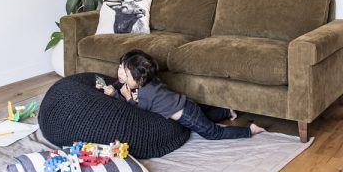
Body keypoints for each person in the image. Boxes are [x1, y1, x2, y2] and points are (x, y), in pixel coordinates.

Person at [97, 49, 265, 139]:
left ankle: (249, 130)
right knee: (204, 117)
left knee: (211, 133)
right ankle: (226, 111)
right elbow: (122, 84)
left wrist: (123, 96)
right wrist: (110, 87)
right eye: (120, 68)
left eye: (125, 73)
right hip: (186, 105)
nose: (120, 74)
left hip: (186, 114)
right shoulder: (144, 80)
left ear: (139, 80)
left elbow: (136, 110)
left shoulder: (147, 93)